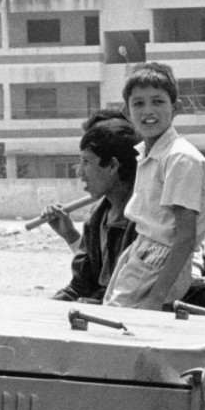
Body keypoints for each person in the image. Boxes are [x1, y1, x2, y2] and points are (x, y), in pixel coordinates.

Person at [103, 64, 205, 310]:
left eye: (158, 102)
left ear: (175, 109)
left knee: (121, 327)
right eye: (138, 104)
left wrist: (156, 297)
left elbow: (185, 237)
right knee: (113, 322)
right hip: (141, 250)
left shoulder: (180, 158)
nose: (148, 111)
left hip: (160, 256)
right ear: (127, 112)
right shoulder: (147, 153)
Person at [45, 112, 139, 302]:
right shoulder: (96, 219)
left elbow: (127, 293)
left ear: (112, 165)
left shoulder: (142, 221)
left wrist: (91, 304)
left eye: (86, 161)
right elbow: (81, 285)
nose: (80, 172)